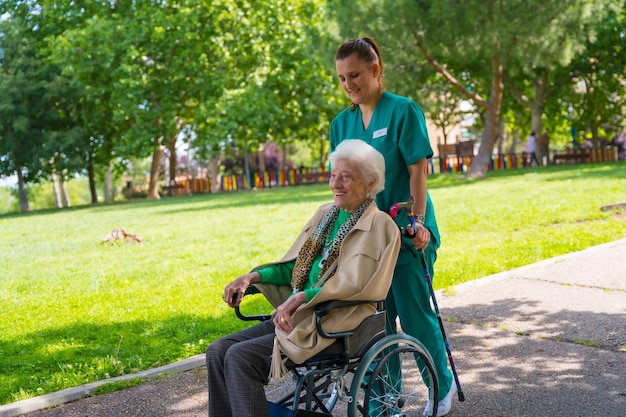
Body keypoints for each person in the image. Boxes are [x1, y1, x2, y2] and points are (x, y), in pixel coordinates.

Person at [206, 139, 401, 417]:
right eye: (333, 174)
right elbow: (295, 266)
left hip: (335, 324)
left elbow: (356, 284)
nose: (336, 183)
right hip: (299, 318)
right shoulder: (326, 214)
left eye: (346, 177)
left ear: (370, 183)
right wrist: (251, 277)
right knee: (217, 350)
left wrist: (302, 297)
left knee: (240, 358)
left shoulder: (379, 225)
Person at [330, 36, 455, 416]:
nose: (349, 84)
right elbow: (341, 182)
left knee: (415, 319)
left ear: (375, 70)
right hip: (366, 241)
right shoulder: (340, 124)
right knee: (377, 326)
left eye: (355, 75)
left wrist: (417, 223)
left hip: (406, 235)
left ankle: (440, 387)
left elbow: (418, 172)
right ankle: (386, 401)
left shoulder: (403, 111)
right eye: (341, 78)